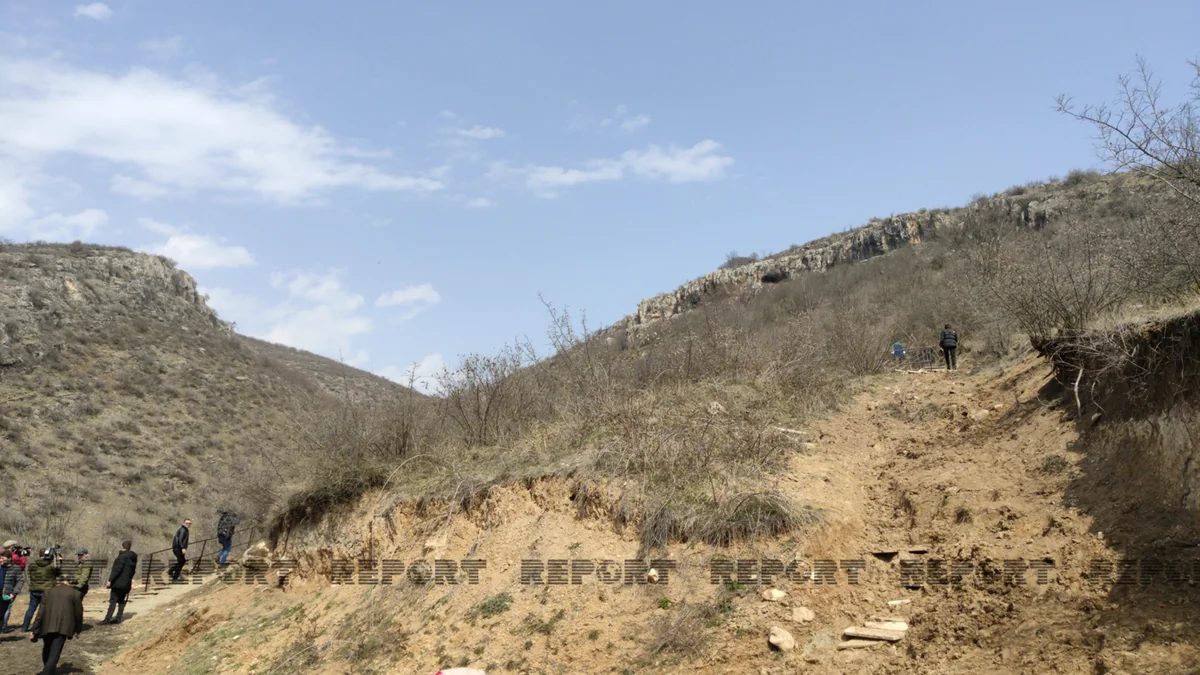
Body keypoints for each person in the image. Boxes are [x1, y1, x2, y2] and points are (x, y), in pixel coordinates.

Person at [27, 575, 83, 675]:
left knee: (47, 648)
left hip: (47, 624)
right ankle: (47, 672)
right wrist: (78, 629)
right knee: (55, 651)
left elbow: (41, 612)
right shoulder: (75, 593)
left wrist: (34, 629)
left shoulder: (48, 592)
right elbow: (78, 613)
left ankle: (49, 670)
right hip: (64, 626)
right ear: (69, 582)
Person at [22, 548, 60, 634]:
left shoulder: (33, 564)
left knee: (31, 609)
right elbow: (58, 573)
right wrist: (58, 560)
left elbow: (30, 575)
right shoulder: (51, 566)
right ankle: (41, 626)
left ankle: (24, 627)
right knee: (45, 610)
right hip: (47, 590)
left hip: (34, 589)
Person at [101, 540, 136, 625]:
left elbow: (117, 570)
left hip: (118, 583)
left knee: (113, 600)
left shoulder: (122, 557)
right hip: (127, 583)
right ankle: (118, 618)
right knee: (121, 601)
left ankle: (107, 619)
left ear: (122, 547)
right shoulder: (133, 558)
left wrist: (110, 580)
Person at [1, 540, 27, 633]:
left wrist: (15, 592)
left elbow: (20, 580)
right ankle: (3, 626)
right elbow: (23, 564)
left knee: (6, 609)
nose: (2, 560)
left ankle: (3, 627)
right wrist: (23, 557)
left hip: (8, 592)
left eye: (3, 558)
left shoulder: (15, 568)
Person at [170, 519, 191, 583]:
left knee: (182, 561)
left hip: (178, 548)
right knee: (181, 561)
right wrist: (183, 548)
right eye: (187, 523)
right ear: (183, 523)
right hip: (178, 548)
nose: (188, 525)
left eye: (190, 523)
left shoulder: (184, 529)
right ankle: (174, 578)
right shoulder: (183, 530)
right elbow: (180, 539)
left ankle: (171, 571)